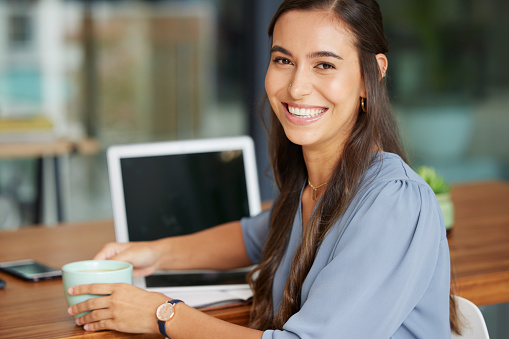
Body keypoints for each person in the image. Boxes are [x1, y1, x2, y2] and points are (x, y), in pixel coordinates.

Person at [67, 0, 456, 337]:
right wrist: (149, 255)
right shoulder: (311, 187)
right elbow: (251, 237)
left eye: (324, 64)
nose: (297, 87)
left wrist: (161, 313)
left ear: (370, 77)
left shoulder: (394, 202)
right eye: (283, 60)